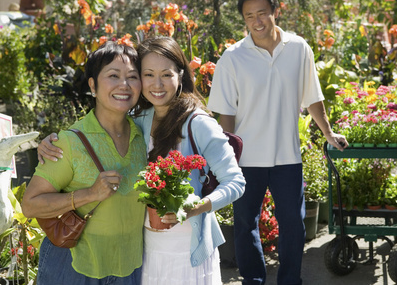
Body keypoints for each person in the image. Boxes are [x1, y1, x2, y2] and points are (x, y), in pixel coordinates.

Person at [37, 36, 246, 284]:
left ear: (180, 76)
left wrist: (197, 207)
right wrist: (50, 141)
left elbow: (235, 182)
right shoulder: (139, 120)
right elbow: (101, 124)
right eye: (147, 74)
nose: (157, 84)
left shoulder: (199, 124)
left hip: (186, 250)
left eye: (166, 75)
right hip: (146, 251)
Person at [207, 0, 349, 284]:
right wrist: (224, 157)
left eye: (262, 13)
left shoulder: (299, 49)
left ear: (276, 11)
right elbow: (226, 114)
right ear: (243, 19)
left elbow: (313, 97)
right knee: (245, 225)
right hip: (246, 160)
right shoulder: (232, 58)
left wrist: (329, 132)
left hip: (287, 156)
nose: (257, 21)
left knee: (294, 225)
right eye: (249, 16)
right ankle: (253, 280)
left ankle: (289, 280)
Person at [21, 41, 147, 285]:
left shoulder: (144, 135)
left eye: (133, 76)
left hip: (130, 267)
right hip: (74, 268)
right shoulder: (69, 142)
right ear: (93, 85)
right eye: (113, 75)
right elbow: (30, 206)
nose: (124, 85)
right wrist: (89, 194)